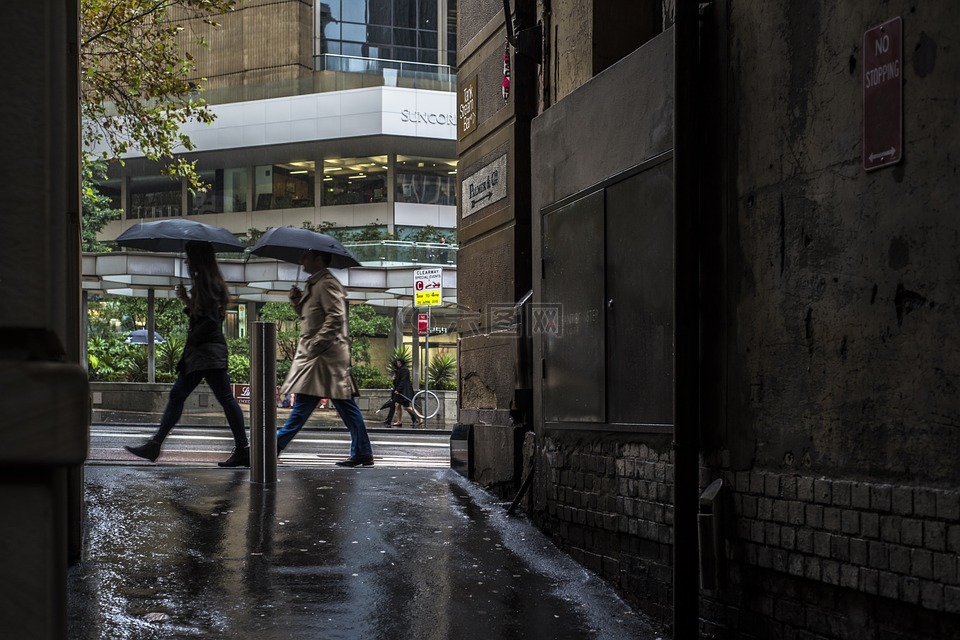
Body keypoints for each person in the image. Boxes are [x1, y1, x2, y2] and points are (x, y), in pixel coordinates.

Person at [125, 241, 249, 467]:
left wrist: (192, 340)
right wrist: (186, 300)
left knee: (207, 397)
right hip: (206, 352)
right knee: (191, 396)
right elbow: (204, 315)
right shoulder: (208, 281)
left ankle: (242, 447)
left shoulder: (206, 282)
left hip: (204, 353)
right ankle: (156, 444)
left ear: (197, 258)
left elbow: (208, 321)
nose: (185, 261)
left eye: (188, 256)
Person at [276, 250, 374, 466]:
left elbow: (336, 316)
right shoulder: (315, 284)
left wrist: (316, 343)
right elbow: (312, 316)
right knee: (343, 406)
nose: (301, 260)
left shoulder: (327, 283)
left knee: (304, 405)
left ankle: (273, 446)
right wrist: (296, 301)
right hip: (322, 356)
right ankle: (362, 452)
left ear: (318, 259)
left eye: (306, 256)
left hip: (323, 357)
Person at [390, 357, 422, 427]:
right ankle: (399, 421)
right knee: (397, 405)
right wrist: (394, 378)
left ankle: (420, 417)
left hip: (404, 391)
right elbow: (397, 381)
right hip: (400, 391)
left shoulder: (404, 369)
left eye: (398, 362)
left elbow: (403, 381)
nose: (397, 363)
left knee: (406, 407)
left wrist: (398, 390)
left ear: (400, 362)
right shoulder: (399, 370)